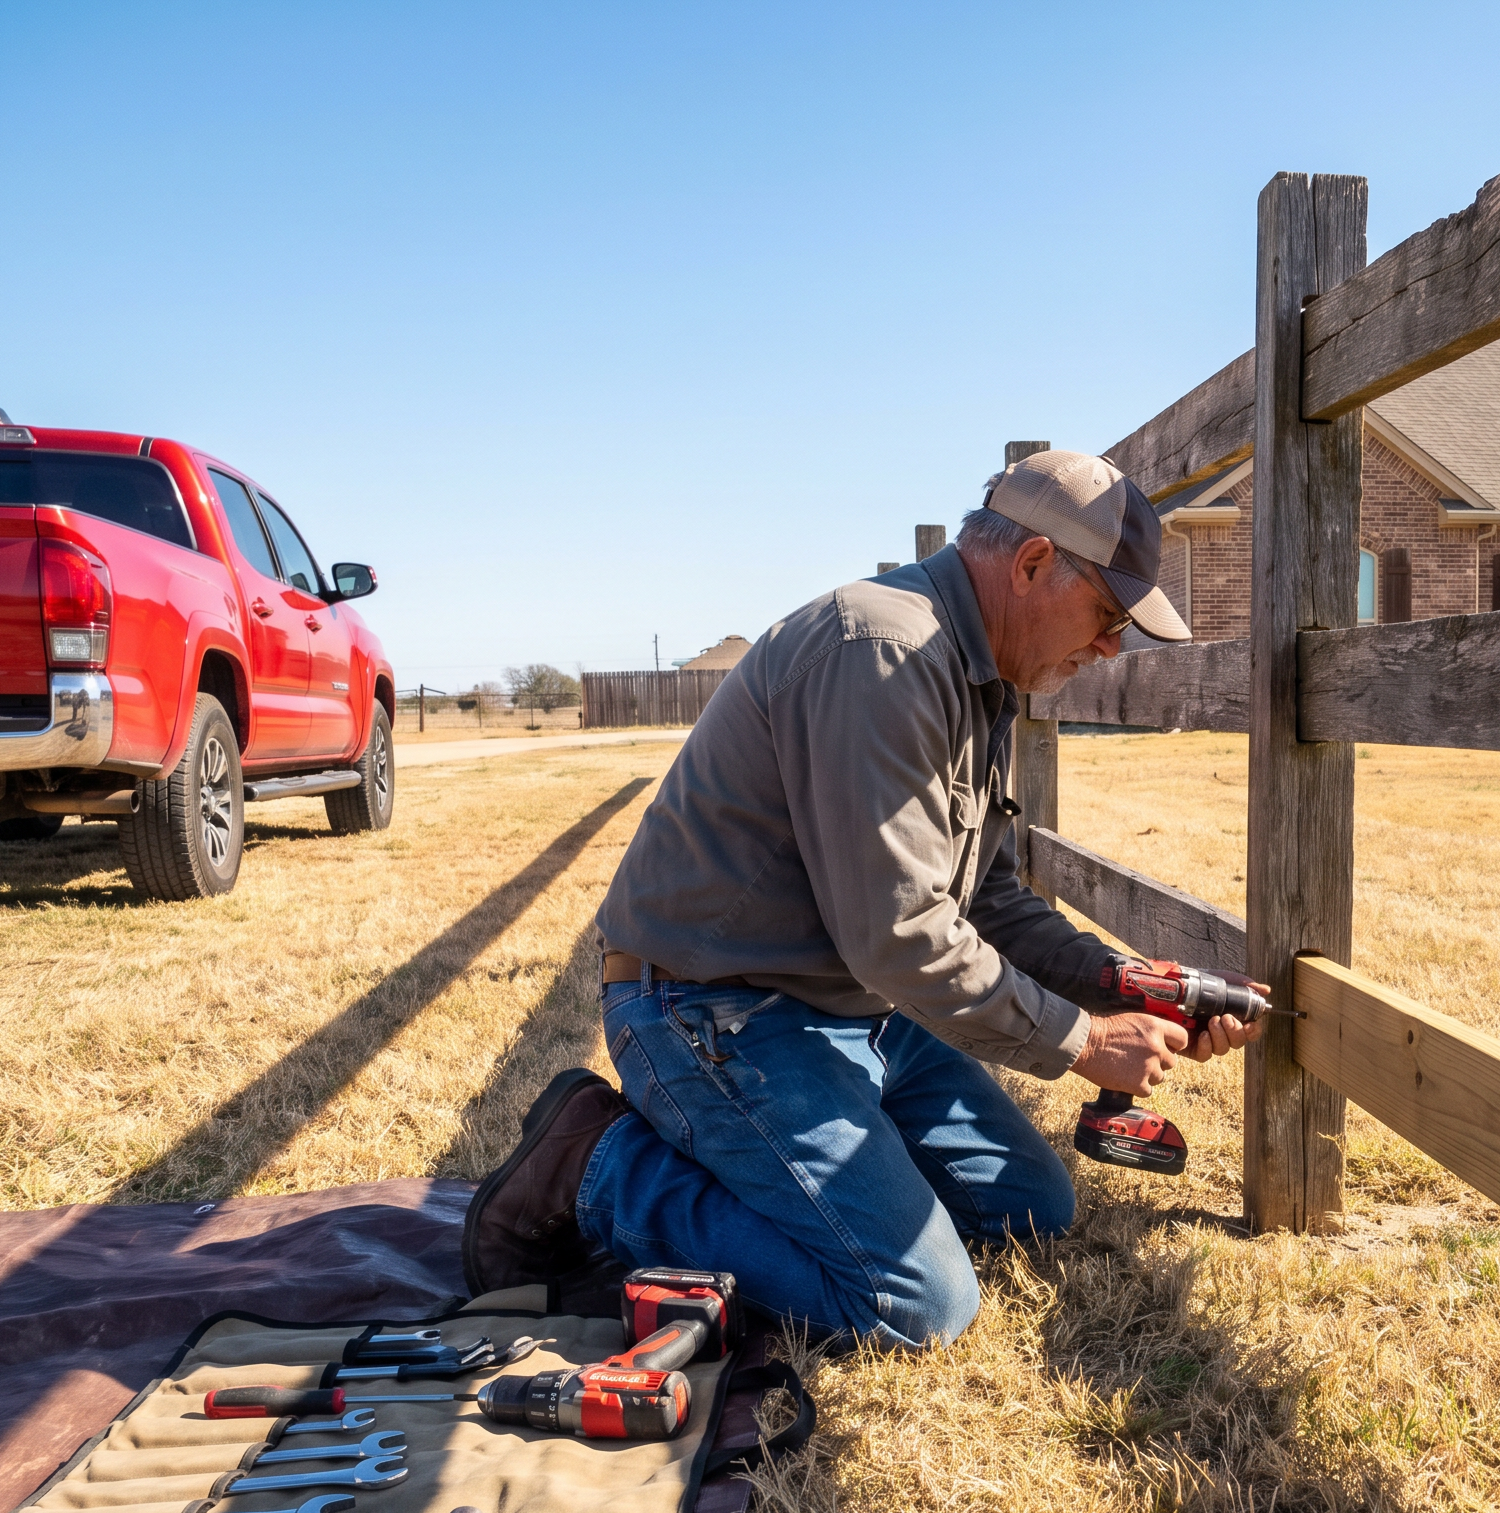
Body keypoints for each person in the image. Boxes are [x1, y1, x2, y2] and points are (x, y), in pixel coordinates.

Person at [462, 451, 1262, 1346]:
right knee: (914, 1304)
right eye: (1109, 614)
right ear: (1033, 564)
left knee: (1032, 1211)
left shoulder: (975, 675)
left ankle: (791, 1169)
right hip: (709, 1008)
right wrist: (1082, 1043)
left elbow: (985, 901)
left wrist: (1125, 986)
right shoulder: (880, 653)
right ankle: (598, 1170)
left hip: (851, 1009)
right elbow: (902, 936)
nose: (1112, 645)